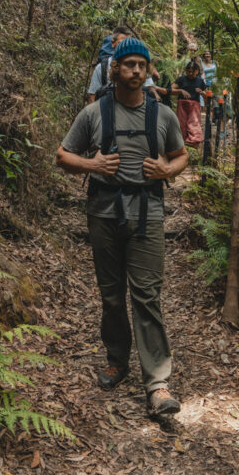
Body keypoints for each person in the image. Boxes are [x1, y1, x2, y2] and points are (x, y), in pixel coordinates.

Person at [56, 37, 189, 417]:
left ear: (148, 71)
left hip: (148, 213)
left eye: (140, 65)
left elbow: (181, 156)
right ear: (114, 69)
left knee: (147, 295)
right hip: (103, 212)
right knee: (112, 294)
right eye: (127, 64)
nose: (134, 70)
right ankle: (117, 360)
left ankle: (158, 384)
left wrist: (166, 170)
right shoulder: (95, 113)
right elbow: (62, 156)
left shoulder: (161, 114)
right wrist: (93, 166)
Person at [86, 26, 133, 104]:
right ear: (113, 43)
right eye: (121, 43)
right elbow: (92, 97)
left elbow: (149, 89)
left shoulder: (137, 67)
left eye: (129, 44)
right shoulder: (101, 68)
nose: (125, 47)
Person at [172, 60, 207, 146]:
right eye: (188, 71)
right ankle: (181, 144)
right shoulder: (181, 79)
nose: (190, 73)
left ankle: (193, 144)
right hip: (182, 105)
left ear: (197, 71)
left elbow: (207, 96)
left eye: (192, 71)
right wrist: (180, 91)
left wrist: (202, 93)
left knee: (194, 125)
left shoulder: (200, 81)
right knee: (181, 124)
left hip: (194, 106)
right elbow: (170, 90)